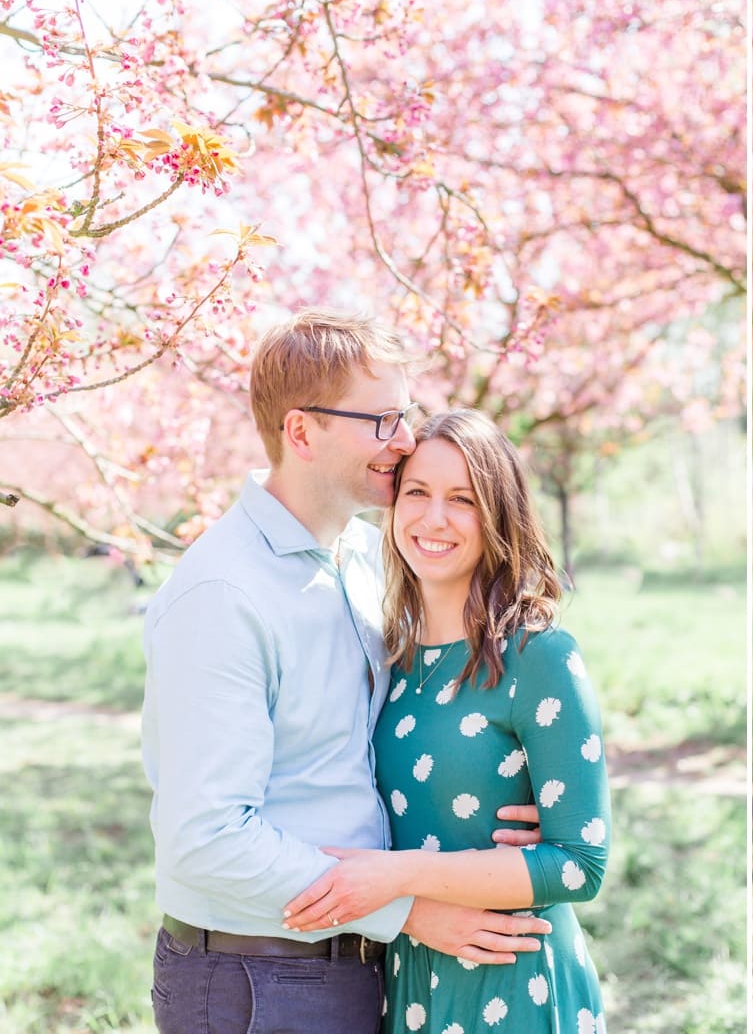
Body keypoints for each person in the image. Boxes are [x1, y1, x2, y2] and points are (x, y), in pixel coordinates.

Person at [141, 311, 549, 1034]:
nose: (405, 440)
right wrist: (411, 910)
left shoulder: (364, 561)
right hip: (256, 978)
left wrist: (502, 793)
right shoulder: (224, 594)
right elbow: (204, 835)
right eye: (383, 419)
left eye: (407, 414)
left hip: (357, 967)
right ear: (301, 432)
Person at [279, 409, 611, 1033]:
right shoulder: (393, 660)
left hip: (513, 982)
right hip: (408, 979)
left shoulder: (538, 656)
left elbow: (580, 864)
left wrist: (397, 875)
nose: (434, 519)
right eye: (418, 493)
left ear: (498, 514)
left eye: (463, 499)